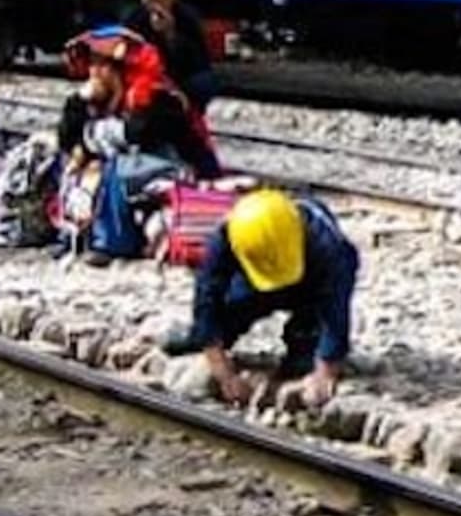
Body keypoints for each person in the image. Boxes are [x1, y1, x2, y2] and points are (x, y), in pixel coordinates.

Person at [170, 189, 360, 409]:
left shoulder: (329, 246)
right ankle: (202, 338)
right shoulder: (227, 236)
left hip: (310, 282)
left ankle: (303, 346)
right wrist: (219, 364)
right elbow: (207, 296)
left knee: (305, 354)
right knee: (227, 315)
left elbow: (335, 310)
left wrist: (326, 369)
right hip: (255, 279)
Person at [58, 26, 220, 180]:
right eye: (92, 64)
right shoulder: (98, 101)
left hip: (184, 180)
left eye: (101, 64)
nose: (94, 73)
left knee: (115, 171)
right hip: (138, 185)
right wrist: (78, 100)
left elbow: (137, 133)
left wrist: (87, 142)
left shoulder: (159, 97)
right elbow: (66, 140)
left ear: (122, 68)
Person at [124, 0, 219, 113]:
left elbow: (198, 61)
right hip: (145, 76)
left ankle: (189, 115)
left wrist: (170, 35)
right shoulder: (136, 18)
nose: (153, 3)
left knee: (204, 82)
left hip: (179, 76)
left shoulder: (187, 19)